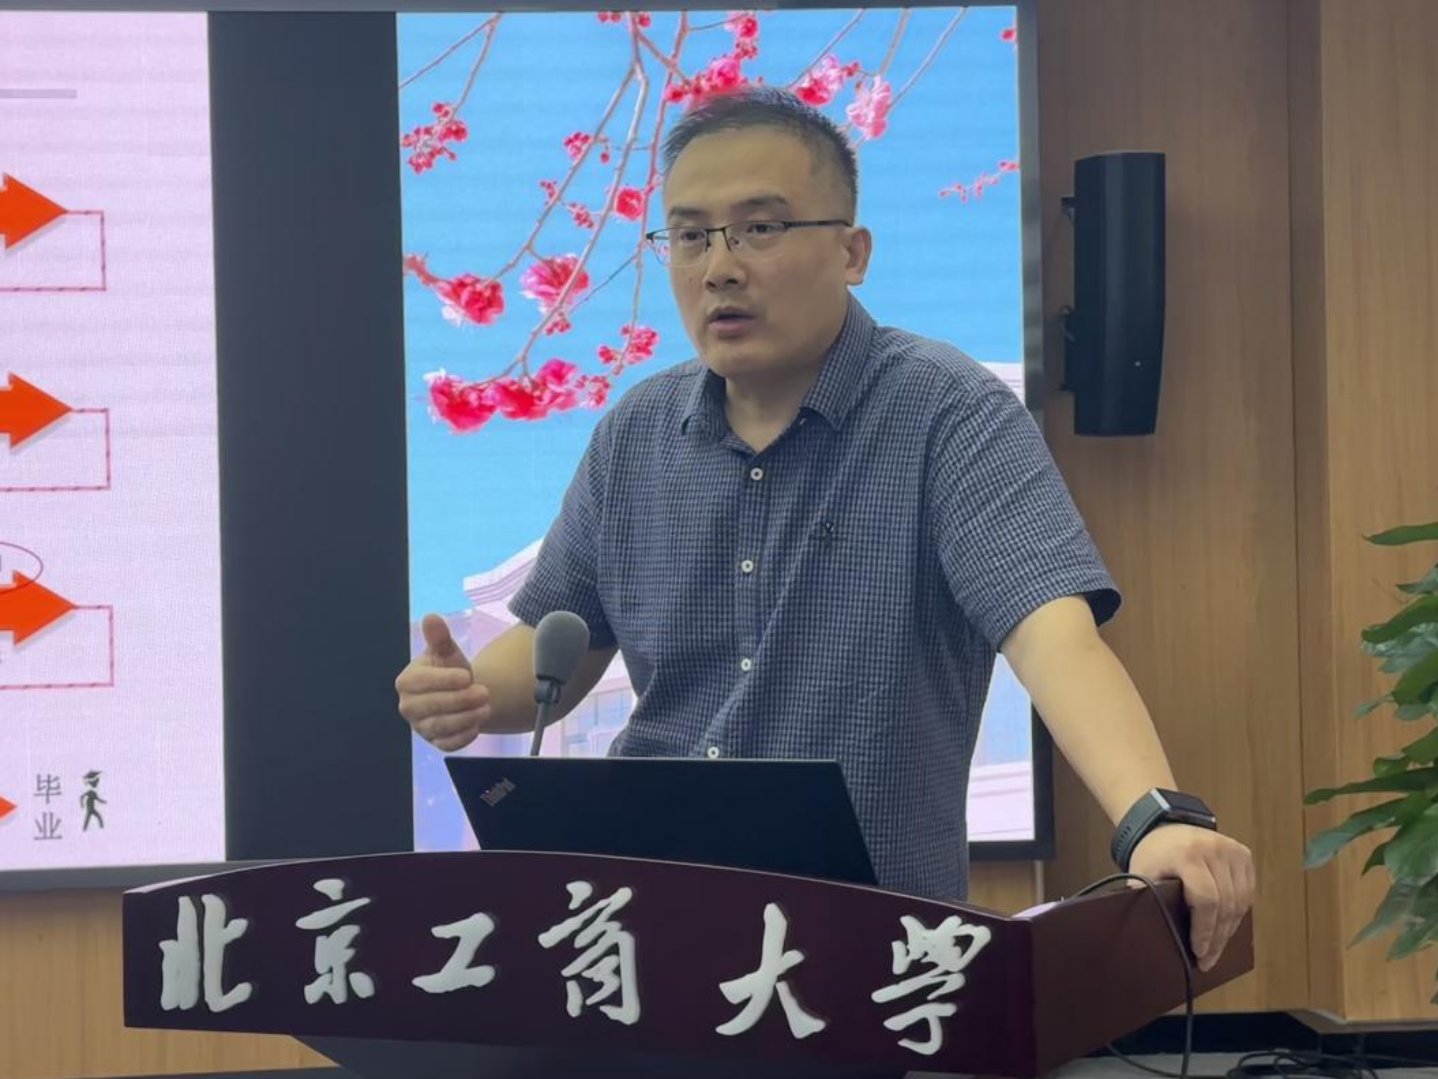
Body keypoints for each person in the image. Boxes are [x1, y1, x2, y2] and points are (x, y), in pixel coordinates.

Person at [397, 86, 1255, 971]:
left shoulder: (947, 411)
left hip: (868, 943)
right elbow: (556, 652)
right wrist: (469, 691)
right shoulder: (635, 434)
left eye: (759, 228)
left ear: (853, 251)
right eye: (689, 236)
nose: (719, 267)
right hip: (643, 928)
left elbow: (1052, 634)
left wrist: (1154, 816)